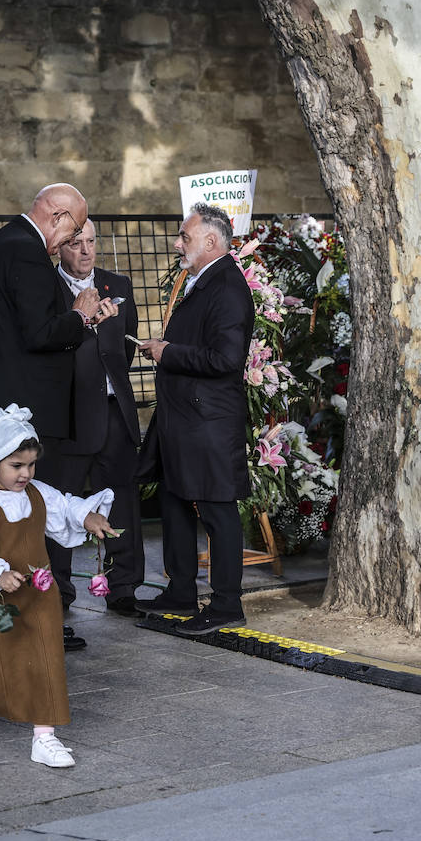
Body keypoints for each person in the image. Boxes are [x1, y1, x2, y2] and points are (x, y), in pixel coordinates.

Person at [0, 184, 119, 649]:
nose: (69, 243)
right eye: (72, 231)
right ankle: (35, 618)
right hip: (25, 407)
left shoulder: (0, 241)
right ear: (57, 216)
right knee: (29, 517)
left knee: (14, 512)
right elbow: (38, 332)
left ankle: (24, 614)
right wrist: (80, 313)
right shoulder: (29, 253)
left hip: (4, 399)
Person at [0, 405, 115, 767]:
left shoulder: (37, 493)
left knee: (47, 659)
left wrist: (87, 516)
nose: (26, 474)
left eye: (31, 465)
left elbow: (64, 507)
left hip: (41, 596)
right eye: (16, 466)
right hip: (2, 601)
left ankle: (45, 737)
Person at [136, 203, 255, 634]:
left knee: (216, 508)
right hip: (184, 419)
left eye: (184, 237)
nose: (177, 243)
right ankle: (182, 590)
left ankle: (226, 603)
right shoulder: (204, 280)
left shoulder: (226, 285)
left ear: (210, 241)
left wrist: (168, 352)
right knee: (173, 499)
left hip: (208, 421)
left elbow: (226, 358)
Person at [37, 219, 145, 617]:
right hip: (67, 415)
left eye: (91, 242)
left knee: (122, 499)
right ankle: (58, 590)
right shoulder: (45, 290)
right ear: (59, 249)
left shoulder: (119, 286)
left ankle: (123, 587)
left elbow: (124, 349)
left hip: (115, 411)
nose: (86, 251)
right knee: (61, 498)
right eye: (75, 243)